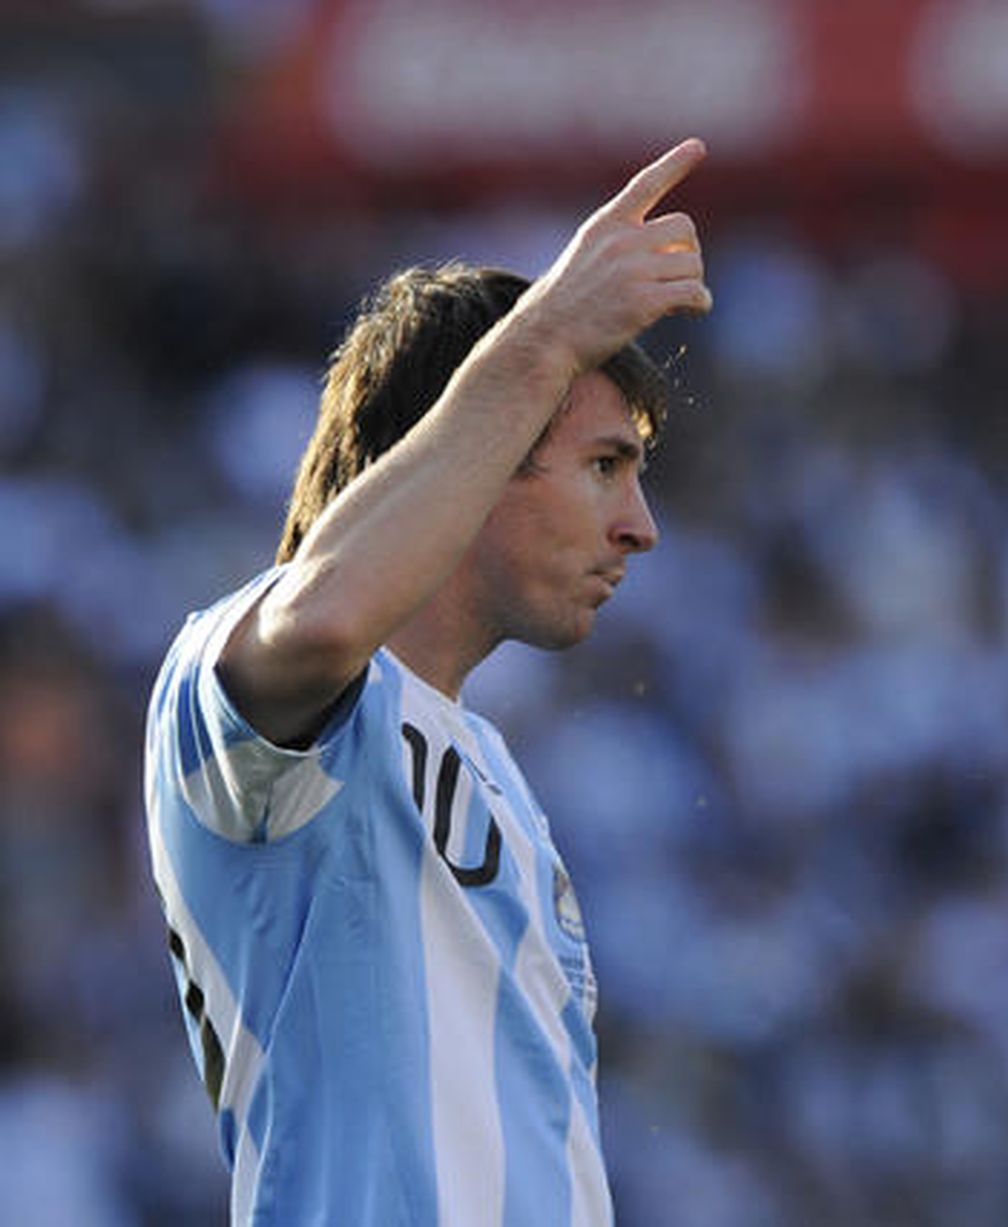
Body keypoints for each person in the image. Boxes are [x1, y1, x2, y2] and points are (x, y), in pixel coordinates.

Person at [142, 138, 713, 1226]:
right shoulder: (242, 687)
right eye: (604, 467)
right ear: (474, 451)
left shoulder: (488, 768)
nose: (639, 527)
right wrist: (539, 340)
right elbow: (322, 622)